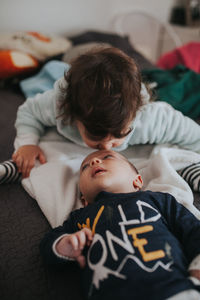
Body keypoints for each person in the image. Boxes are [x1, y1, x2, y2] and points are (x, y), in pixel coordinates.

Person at [0, 47, 200, 189]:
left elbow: (193, 135)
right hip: (75, 76)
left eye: (119, 136)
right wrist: (27, 144)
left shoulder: (152, 119)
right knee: (61, 63)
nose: (107, 147)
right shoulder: (57, 105)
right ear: (72, 115)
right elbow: (28, 112)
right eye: (96, 138)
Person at [40, 149, 200, 300]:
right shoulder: (80, 216)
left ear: (137, 181)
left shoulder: (157, 199)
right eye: (85, 167)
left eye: (107, 157)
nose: (94, 161)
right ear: (84, 201)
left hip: (174, 289)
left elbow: (192, 228)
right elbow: (48, 242)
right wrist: (63, 245)